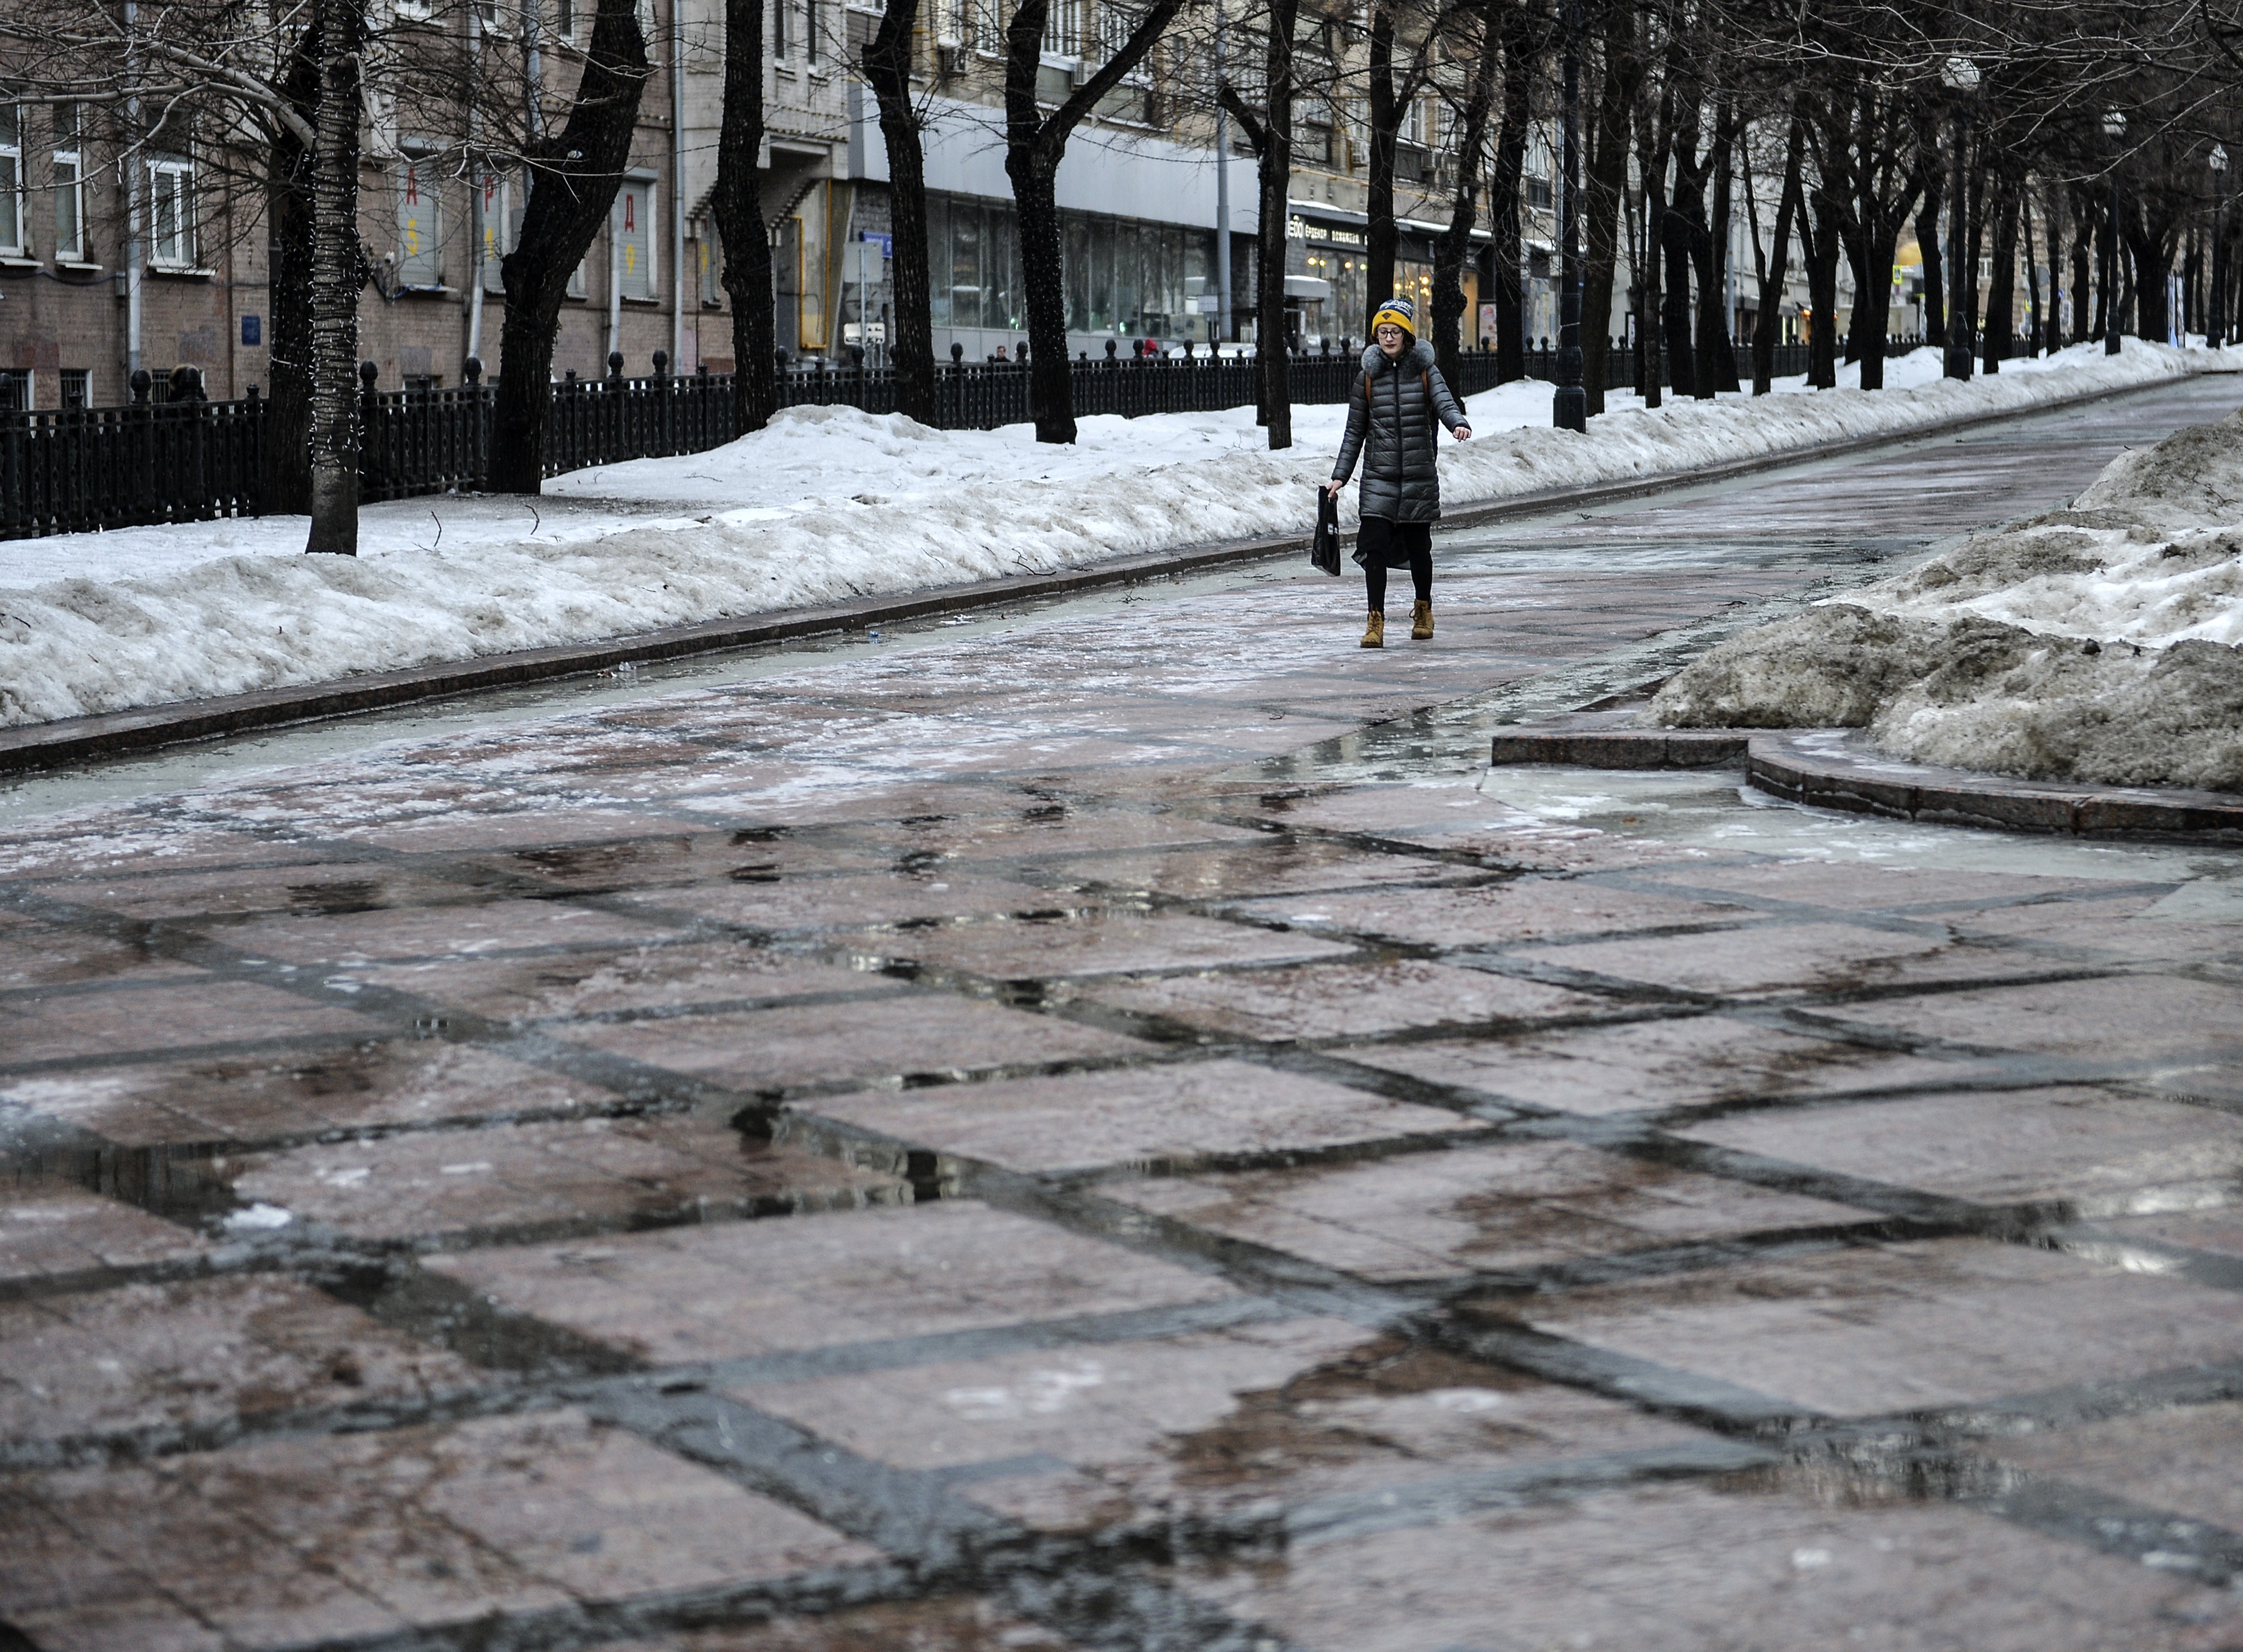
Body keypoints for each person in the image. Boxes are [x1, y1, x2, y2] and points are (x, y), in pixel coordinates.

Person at [1325, 295, 1471, 647]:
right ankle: (1375, 618)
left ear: (1407, 336)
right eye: (1383, 332)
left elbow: (1444, 402)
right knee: (1373, 548)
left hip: (1418, 476)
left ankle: (1423, 608)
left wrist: (1457, 423)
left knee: (1420, 548)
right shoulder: (1367, 377)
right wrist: (1340, 476)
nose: (1388, 338)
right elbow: (1354, 431)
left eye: (1395, 332)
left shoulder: (1425, 371)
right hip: (1378, 478)